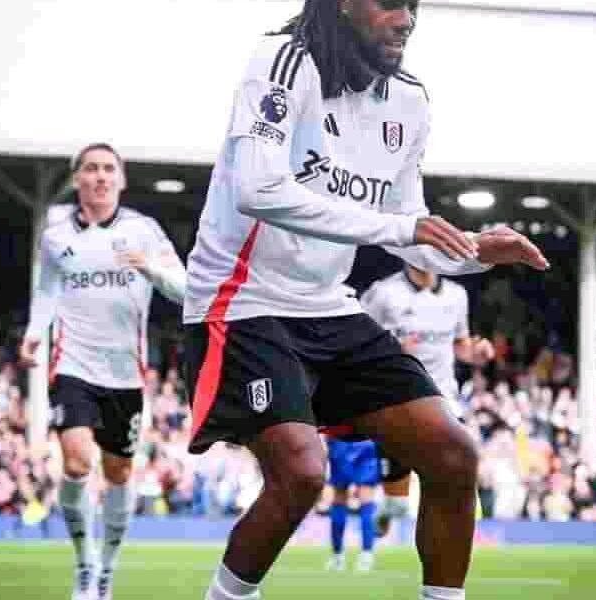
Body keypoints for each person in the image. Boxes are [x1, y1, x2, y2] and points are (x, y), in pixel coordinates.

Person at [182, 2, 549, 599]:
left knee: (454, 455)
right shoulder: (282, 61)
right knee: (301, 473)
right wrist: (403, 229)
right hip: (241, 299)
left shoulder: (409, 101)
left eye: (412, 5)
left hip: (328, 304)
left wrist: (476, 251)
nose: (405, 18)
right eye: (389, 2)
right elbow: (256, 187)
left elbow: (408, 223)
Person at [19, 143, 186, 600]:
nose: (100, 176)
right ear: (77, 179)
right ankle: (84, 563)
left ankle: (107, 570)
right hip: (72, 365)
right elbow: (47, 291)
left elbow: (185, 289)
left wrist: (149, 268)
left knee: (117, 474)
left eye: (109, 169)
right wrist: (35, 332)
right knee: (75, 461)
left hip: (125, 375)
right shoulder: (56, 234)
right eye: (90, 169)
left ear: (121, 180)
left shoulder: (144, 231)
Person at [360, 263, 495, 536]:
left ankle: (442, 554)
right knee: (398, 504)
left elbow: (460, 344)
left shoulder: (456, 295)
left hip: (443, 397)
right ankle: (388, 510)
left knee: (449, 473)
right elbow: (355, 340)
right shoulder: (383, 293)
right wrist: (390, 349)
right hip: (395, 399)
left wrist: (475, 353)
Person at [323, 434, 380, 572]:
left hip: (340, 439)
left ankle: (338, 557)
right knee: (367, 499)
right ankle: (366, 556)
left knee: (339, 497)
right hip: (367, 440)